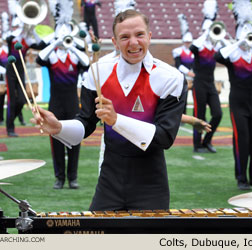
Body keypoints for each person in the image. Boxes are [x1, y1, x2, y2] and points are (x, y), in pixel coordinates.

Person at [31, 9, 187, 210]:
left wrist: (116, 120)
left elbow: (164, 137)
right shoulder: (98, 71)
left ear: (149, 36)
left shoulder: (171, 78)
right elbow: (86, 123)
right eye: (124, 37)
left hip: (151, 184)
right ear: (114, 42)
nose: (133, 43)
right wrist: (59, 127)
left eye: (139, 34)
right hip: (109, 180)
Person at [214, 0, 252, 190]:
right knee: (242, 140)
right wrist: (238, 43)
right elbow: (219, 56)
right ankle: (241, 178)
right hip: (238, 103)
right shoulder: (232, 56)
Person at [36, 0, 89, 189]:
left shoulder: (75, 57)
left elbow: (87, 63)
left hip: (73, 103)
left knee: (75, 139)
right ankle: (59, 178)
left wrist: (72, 45)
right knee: (56, 140)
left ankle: (72, 178)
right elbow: (39, 58)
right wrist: (56, 42)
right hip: (56, 104)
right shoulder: (51, 56)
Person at [189, 0, 223, 153]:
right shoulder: (199, 46)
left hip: (211, 84)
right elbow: (192, 47)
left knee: (217, 113)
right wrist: (205, 33)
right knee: (199, 115)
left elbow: (228, 49)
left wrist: (219, 36)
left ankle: (207, 141)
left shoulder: (216, 46)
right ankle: (197, 145)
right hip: (199, 84)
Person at [5, 13, 42, 137]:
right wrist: (21, 31)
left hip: (21, 70)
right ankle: (10, 128)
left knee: (21, 100)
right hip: (11, 70)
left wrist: (33, 31)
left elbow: (42, 45)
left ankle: (11, 120)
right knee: (12, 100)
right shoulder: (12, 38)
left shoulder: (28, 40)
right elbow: (8, 38)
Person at [0, 40, 25, 126]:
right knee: (2, 99)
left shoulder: (13, 51)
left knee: (16, 98)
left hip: (14, 78)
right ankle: (0, 118)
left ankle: (21, 118)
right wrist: (6, 72)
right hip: (3, 77)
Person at [172, 14, 195, 115]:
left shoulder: (194, 52)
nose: (188, 43)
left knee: (195, 97)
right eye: (186, 42)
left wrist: (193, 73)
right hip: (182, 76)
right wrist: (188, 72)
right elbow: (178, 65)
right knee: (182, 97)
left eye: (189, 42)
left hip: (192, 76)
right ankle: (181, 115)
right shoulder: (178, 51)